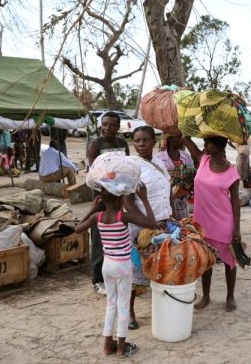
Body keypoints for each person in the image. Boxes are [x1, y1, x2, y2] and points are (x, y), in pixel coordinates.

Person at [75, 169, 158, 357]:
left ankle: (107, 345)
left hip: (107, 266)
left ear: (102, 199)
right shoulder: (124, 217)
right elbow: (152, 223)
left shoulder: (98, 217)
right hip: (123, 266)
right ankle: (121, 348)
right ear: (121, 200)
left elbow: (77, 228)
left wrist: (92, 209)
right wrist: (144, 198)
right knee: (122, 305)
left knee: (111, 304)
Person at [182, 135, 241, 312]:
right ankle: (206, 296)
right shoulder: (203, 160)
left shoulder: (232, 173)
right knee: (205, 260)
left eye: (208, 142)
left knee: (229, 261)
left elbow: (235, 201)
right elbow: (186, 140)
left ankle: (230, 296)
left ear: (219, 145)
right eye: (205, 141)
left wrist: (237, 228)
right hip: (202, 222)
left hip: (223, 221)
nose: (205, 144)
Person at [127, 126, 173, 329]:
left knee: (161, 268)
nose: (141, 144)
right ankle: (129, 311)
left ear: (154, 142)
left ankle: (163, 309)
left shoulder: (159, 163)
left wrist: (172, 216)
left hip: (163, 224)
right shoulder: (131, 167)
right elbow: (127, 203)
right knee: (135, 272)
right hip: (141, 227)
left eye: (145, 140)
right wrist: (146, 224)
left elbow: (167, 191)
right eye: (137, 140)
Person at [86, 111, 130, 295]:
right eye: (104, 124)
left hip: (118, 195)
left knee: (117, 234)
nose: (108, 128)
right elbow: (95, 173)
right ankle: (97, 279)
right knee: (99, 235)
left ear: (118, 126)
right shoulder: (95, 145)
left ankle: (115, 275)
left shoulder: (122, 143)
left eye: (112, 125)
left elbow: (125, 166)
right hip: (103, 195)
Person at [156, 133, 195, 220]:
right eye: (179, 137)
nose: (182, 140)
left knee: (182, 226)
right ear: (170, 139)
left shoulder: (186, 157)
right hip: (165, 203)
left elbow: (191, 177)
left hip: (182, 201)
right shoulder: (159, 158)